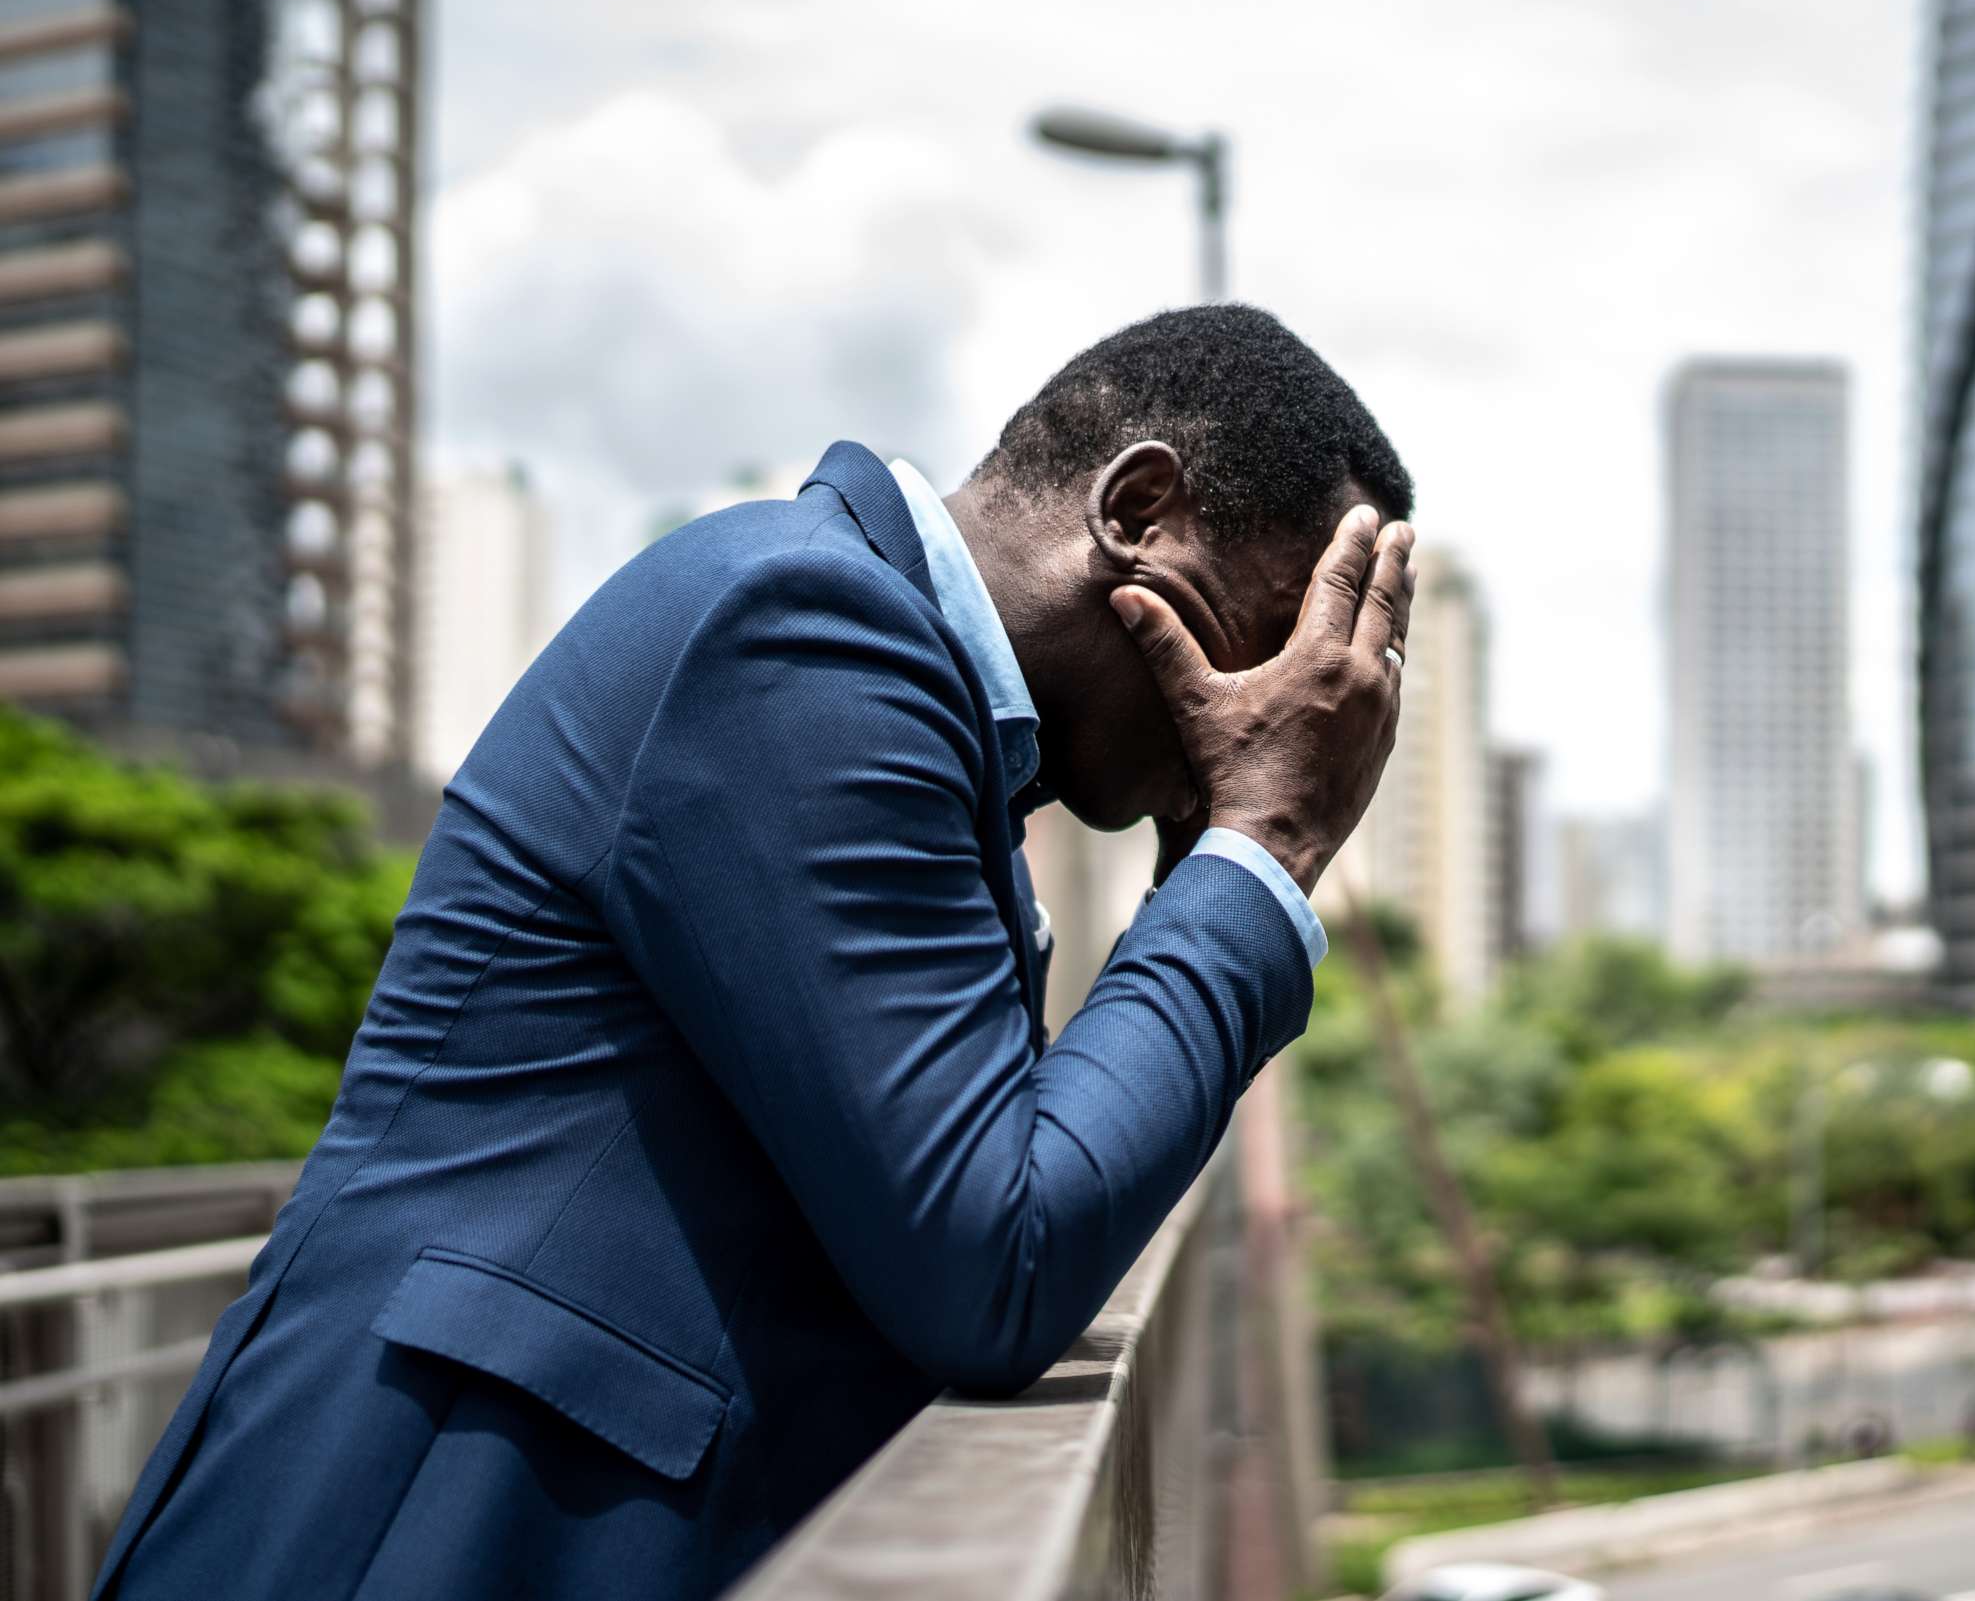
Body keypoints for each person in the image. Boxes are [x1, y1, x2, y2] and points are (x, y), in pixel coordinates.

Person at [93, 305, 1416, 1601]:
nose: (1282, 709)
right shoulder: (806, 635)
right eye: (1284, 634)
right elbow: (999, 1252)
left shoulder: (920, 722)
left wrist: (1216, 849)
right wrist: (1264, 840)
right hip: (405, 1538)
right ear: (1134, 509)